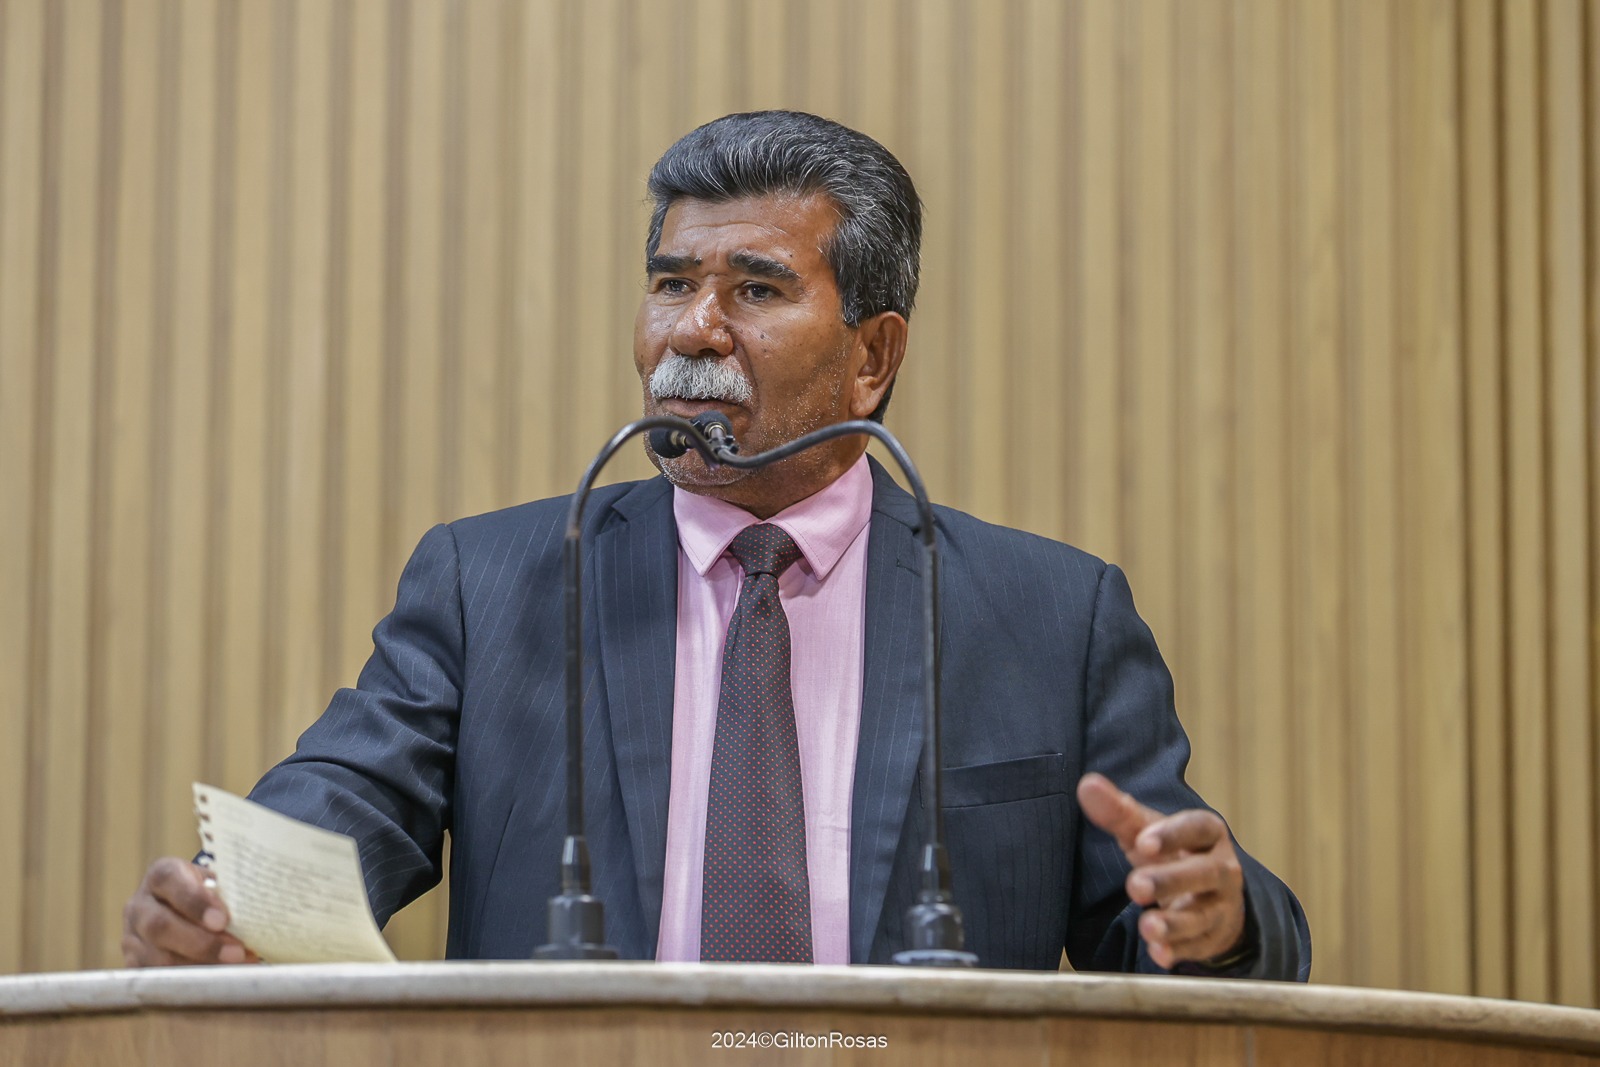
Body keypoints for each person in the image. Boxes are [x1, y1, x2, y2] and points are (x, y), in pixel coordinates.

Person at [123, 110, 1311, 978]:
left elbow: (1163, 906)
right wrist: (236, 895)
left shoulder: (1049, 614)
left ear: (872, 353)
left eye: (754, 289)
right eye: (670, 281)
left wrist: (1216, 917)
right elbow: (351, 797)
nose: (692, 327)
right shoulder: (493, 583)